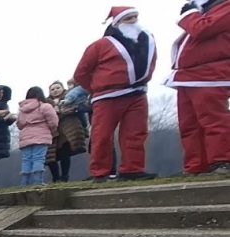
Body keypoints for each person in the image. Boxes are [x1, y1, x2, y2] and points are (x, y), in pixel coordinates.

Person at [75, 6, 158, 182]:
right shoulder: (100, 45)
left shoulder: (147, 41)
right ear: (117, 22)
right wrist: (96, 88)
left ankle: (132, 169)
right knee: (102, 135)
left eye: (136, 17)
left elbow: (151, 63)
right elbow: (81, 74)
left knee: (135, 133)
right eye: (129, 18)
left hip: (137, 94)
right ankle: (100, 172)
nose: (134, 21)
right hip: (107, 96)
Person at [165, 0, 230, 175]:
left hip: (210, 74)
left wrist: (189, 15)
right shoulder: (207, 10)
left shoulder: (226, 7)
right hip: (188, 76)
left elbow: (202, 29)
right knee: (189, 124)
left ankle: (221, 160)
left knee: (213, 120)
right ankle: (196, 165)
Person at [45, 81, 89, 182]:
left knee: (65, 153)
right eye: (52, 89)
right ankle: (55, 177)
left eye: (57, 88)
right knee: (51, 155)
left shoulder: (71, 97)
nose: (55, 90)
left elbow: (80, 110)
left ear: (62, 88)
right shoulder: (46, 103)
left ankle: (65, 176)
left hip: (68, 128)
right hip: (53, 131)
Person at [17, 86, 60, 186]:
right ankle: (37, 181)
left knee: (26, 159)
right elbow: (53, 122)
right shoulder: (45, 106)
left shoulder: (22, 109)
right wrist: (51, 130)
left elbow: (19, 124)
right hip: (41, 136)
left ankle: (25, 183)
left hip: (25, 138)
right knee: (38, 158)